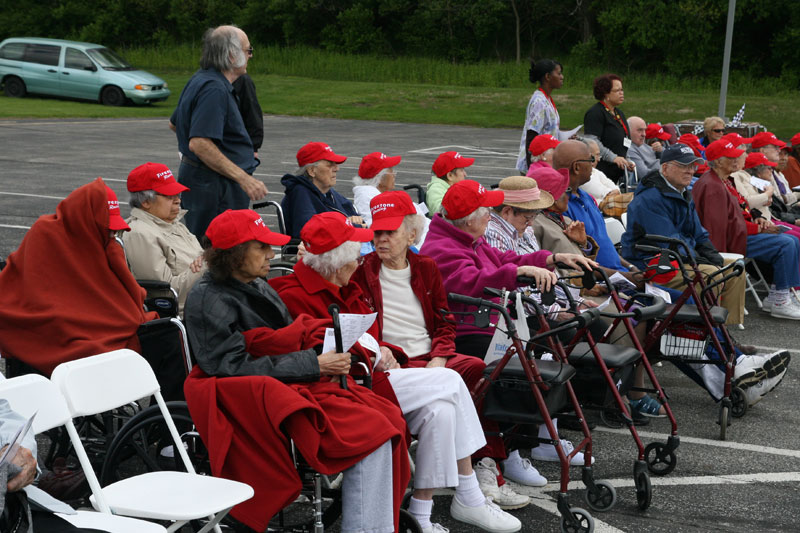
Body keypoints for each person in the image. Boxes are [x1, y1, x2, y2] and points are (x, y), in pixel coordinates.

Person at [271, 211, 522, 533]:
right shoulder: (294, 293)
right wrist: (376, 350)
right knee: (451, 381)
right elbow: (319, 351)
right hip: (347, 388)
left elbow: (371, 333)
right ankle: (469, 494)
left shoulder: (345, 282)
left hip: (372, 376)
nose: (362, 258)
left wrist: (384, 349)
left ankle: (421, 511)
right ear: (336, 262)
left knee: (441, 410)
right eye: (355, 254)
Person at [182, 209, 410, 533]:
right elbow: (230, 367)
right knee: (373, 432)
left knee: (385, 419)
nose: (271, 254)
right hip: (251, 394)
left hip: (284, 381)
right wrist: (314, 364)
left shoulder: (251, 282)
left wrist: (318, 356)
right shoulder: (208, 298)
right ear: (234, 255)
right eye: (261, 247)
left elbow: (281, 338)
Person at [351, 191, 531, 510]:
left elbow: (446, 321)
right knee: (454, 385)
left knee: (475, 370)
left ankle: (465, 482)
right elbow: (356, 325)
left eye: (389, 232)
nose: (381, 240)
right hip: (392, 364)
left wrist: (440, 353)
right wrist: (380, 347)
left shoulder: (425, 266)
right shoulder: (361, 272)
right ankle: (479, 474)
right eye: (377, 232)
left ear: (411, 233)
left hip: (429, 357)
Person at [622, 143, 789, 405]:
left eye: (692, 166)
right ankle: (727, 352)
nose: (691, 171)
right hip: (655, 264)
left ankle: (725, 339)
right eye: (684, 166)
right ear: (665, 168)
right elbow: (670, 242)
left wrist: (711, 256)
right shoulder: (651, 198)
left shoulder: (679, 190)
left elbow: (699, 234)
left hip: (677, 258)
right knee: (710, 274)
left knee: (733, 271)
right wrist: (706, 261)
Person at [0, 180, 160, 377]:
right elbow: (41, 295)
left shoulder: (104, 244)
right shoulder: (46, 234)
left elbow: (127, 300)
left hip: (93, 325)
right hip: (56, 329)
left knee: (162, 339)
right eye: (107, 228)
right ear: (87, 220)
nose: (112, 234)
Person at [418, 179, 594, 357]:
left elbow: (503, 259)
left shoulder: (470, 237)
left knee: (560, 340)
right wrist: (517, 272)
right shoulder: (441, 248)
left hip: (494, 322)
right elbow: (473, 281)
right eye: (486, 211)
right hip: (469, 331)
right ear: (469, 220)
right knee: (553, 346)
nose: (490, 216)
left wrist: (551, 258)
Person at [169, 25, 268, 237]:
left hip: (207, 183)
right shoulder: (214, 89)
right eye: (247, 50)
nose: (250, 56)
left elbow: (175, 123)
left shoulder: (202, 79)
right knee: (218, 252)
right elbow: (200, 143)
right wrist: (244, 178)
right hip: (215, 188)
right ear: (232, 56)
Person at [692, 139, 800, 320]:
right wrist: (757, 229)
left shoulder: (724, 180)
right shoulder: (713, 186)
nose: (737, 160)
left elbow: (738, 212)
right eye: (731, 157)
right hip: (729, 241)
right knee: (785, 244)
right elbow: (721, 229)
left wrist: (755, 218)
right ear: (718, 161)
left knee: (792, 240)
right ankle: (780, 300)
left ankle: (777, 294)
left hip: (739, 233)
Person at [0, 399, 109, 532]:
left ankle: (44, 479)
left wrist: (15, 449)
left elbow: (4, 414)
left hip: (13, 511)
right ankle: (46, 480)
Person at [123, 162, 204, 315]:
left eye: (178, 194)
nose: (178, 200)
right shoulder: (139, 234)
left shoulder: (174, 224)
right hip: (188, 311)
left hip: (204, 299)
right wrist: (209, 263)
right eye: (169, 195)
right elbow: (165, 293)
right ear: (145, 202)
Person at [555, 140, 639, 272]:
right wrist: (629, 278)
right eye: (591, 159)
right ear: (577, 167)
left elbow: (606, 246)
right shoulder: (562, 207)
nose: (594, 165)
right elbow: (579, 266)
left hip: (621, 274)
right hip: (605, 282)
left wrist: (630, 267)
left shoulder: (586, 197)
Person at [281, 142, 362, 238]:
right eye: (330, 164)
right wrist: (352, 225)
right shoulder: (300, 194)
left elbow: (360, 220)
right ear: (311, 171)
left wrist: (355, 224)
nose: (337, 168)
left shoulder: (328, 192)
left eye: (335, 164)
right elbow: (309, 231)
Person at [583, 73, 635, 183]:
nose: (622, 93)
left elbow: (624, 140)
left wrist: (627, 160)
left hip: (619, 171)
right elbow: (592, 142)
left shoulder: (619, 113)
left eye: (622, 90)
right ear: (606, 93)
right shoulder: (595, 113)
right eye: (617, 91)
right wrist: (613, 158)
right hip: (603, 171)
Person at [516, 58, 563, 174]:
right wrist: (532, 170)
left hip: (546, 164)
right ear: (547, 77)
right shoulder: (539, 102)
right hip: (536, 166)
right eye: (559, 73)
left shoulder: (546, 99)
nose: (562, 77)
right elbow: (531, 136)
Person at [578, 138, 633, 217]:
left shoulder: (596, 172)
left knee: (639, 199)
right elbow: (597, 191)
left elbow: (611, 184)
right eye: (596, 155)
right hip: (602, 207)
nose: (598, 159)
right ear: (587, 155)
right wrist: (610, 192)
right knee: (638, 202)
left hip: (611, 202)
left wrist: (615, 190)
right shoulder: (582, 174)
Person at [352, 151, 402, 225]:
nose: (394, 175)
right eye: (391, 171)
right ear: (380, 179)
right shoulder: (368, 198)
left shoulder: (373, 195)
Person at [231, 73, 263, 158]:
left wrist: (254, 146)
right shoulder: (241, 80)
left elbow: (252, 113)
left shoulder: (242, 80)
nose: (249, 58)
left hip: (237, 145)